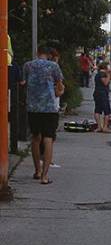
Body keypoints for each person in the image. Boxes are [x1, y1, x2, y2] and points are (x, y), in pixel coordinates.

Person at [22, 46, 64, 185]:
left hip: (33, 107)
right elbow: (59, 85)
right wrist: (58, 92)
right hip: (49, 108)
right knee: (48, 139)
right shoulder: (54, 66)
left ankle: (37, 170)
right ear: (48, 55)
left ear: (37, 53)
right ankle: (45, 176)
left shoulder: (28, 65)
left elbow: (23, 83)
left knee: (35, 138)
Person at [93, 62, 111, 132]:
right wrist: (109, 74)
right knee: (107, 111)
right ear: (105, 67)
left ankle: (99, 126)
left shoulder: (98, 74)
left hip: (97, 93)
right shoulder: (102, 74)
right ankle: (105, 127)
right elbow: (106, 82)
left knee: (97, 110)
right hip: (102, 94)